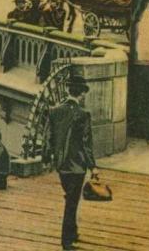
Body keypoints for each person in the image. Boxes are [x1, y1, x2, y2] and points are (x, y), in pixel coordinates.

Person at [44, 74, 99, 250]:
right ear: (81, 94)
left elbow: (48, 138)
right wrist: (93, 166)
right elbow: (86, 143)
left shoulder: (54, 111)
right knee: (72, 202)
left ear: (68, 90)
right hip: (77, 165)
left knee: (70, 196)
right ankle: (66, 241)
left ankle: (73, 231)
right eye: (83, 93)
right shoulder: (83, 115)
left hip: (61, 165)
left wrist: (49, 158)